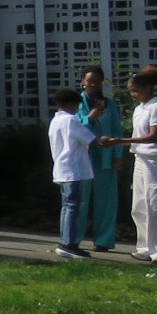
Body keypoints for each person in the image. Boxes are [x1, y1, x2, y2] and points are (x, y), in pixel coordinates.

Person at [117, 66, 157, 264]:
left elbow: (154, 136)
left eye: (135, 90)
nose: (133, 95)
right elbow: (139, 139)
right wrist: (121, 142)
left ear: (146, 88)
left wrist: (118, 141)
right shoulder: (138, 109)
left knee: (156, 204)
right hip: (140, 158)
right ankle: (145, 246)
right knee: (140, 205)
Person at [75, 66, 123, 250]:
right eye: (90, 81)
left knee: (106, 200)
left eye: (97, 82)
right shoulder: (77, 102)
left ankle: (103, 240)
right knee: (81, 199)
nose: (93, 85)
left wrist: (118, 154)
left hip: (105, 157)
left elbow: (116, 129)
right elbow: (73, 126)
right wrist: (89, 118)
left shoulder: (108, 103)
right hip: (83, 157)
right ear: (83, 82)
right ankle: (74, 239)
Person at [48, 87, 98, 259]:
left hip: (62, 168)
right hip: (73, 169)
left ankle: (66, 241)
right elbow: (90, 139)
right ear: (70, 104)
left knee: (67, 205)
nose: (77, 108)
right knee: (73, 206)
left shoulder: (55, 121)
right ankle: (69, 243)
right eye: (76, 105)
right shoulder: (71, 120)